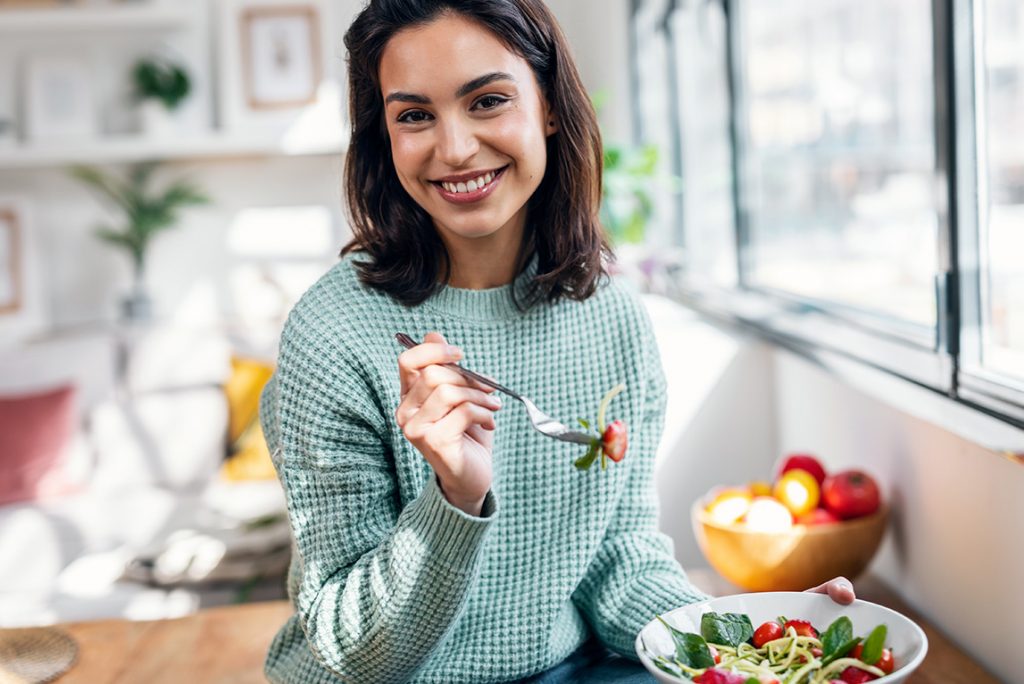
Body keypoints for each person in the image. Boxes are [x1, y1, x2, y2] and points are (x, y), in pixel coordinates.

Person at [259, 1, 856, 682]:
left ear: (547, 105)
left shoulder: (613, 319)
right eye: (415, 115)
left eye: (486, 101)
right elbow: (354, 653)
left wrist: (749, 643)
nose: (454, 148)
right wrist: (454, 496)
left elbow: (617, 558)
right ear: (383, 136)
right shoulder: (333, 334)